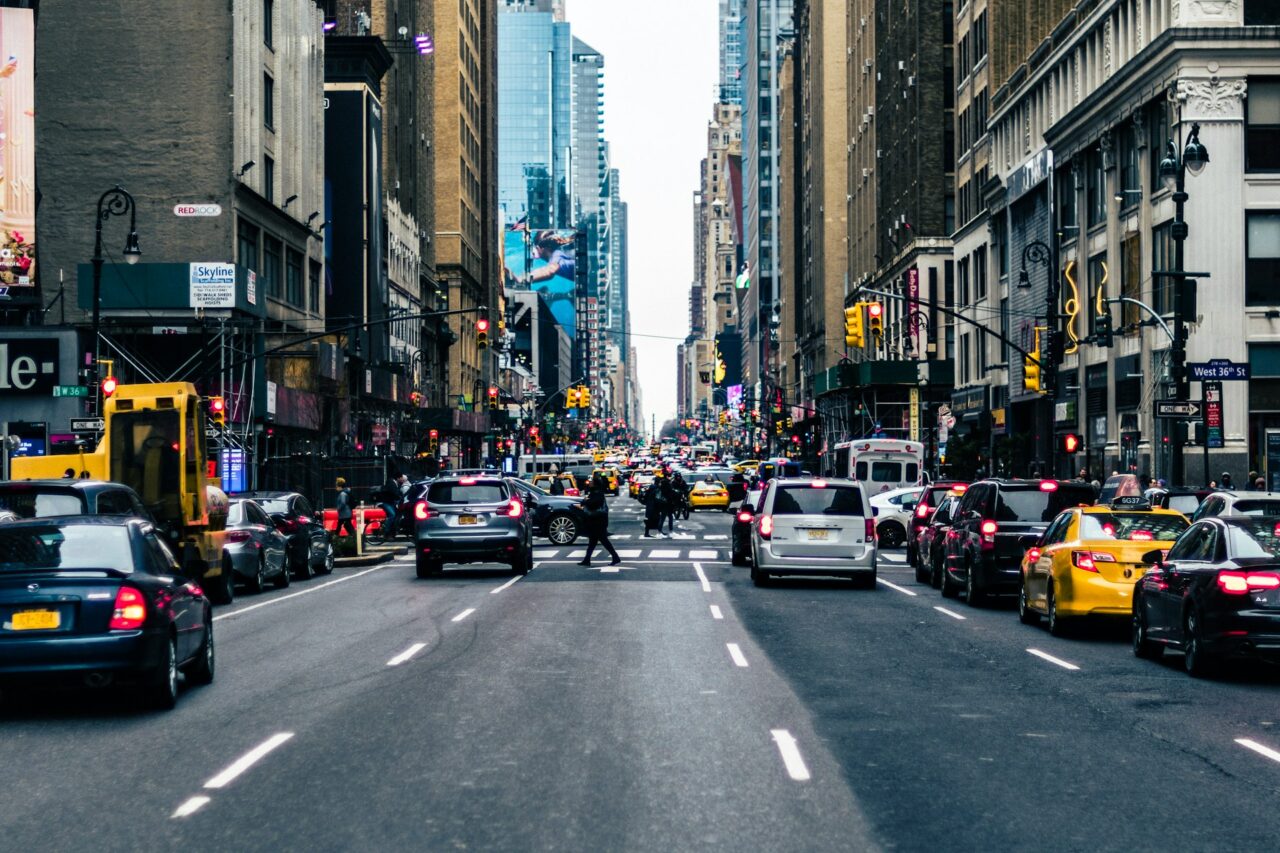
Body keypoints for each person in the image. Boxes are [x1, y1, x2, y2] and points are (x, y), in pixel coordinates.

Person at [578, 473, 621, 567]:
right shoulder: (594, 492)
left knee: (602, 540)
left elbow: (593, 503)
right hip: (597, 520)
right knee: (593, 541)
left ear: (595, 483)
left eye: (591, 482)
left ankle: (615, 557)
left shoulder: (597, 493)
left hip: (598, 521)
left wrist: (585, 501)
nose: (589, 483)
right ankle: (587, 559)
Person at [642, 472, 664, 537]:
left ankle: (654, 531)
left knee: (652, 519)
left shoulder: (652, 488)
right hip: (653, 507)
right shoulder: (656, 489)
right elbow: (657, 498)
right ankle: (656, 531)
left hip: (650, 506)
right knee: (654, 519)